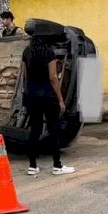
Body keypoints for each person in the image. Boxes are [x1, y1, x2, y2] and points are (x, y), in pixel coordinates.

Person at [22, 33, 75, 176]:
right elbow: (53, 77)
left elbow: (25, 76)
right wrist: (60, 99)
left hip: (32, 97)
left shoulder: (26, 52)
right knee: (53, 130)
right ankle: (57, 165)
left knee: (35, 130)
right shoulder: (48, 52)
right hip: (47, 96)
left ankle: (32, 166)